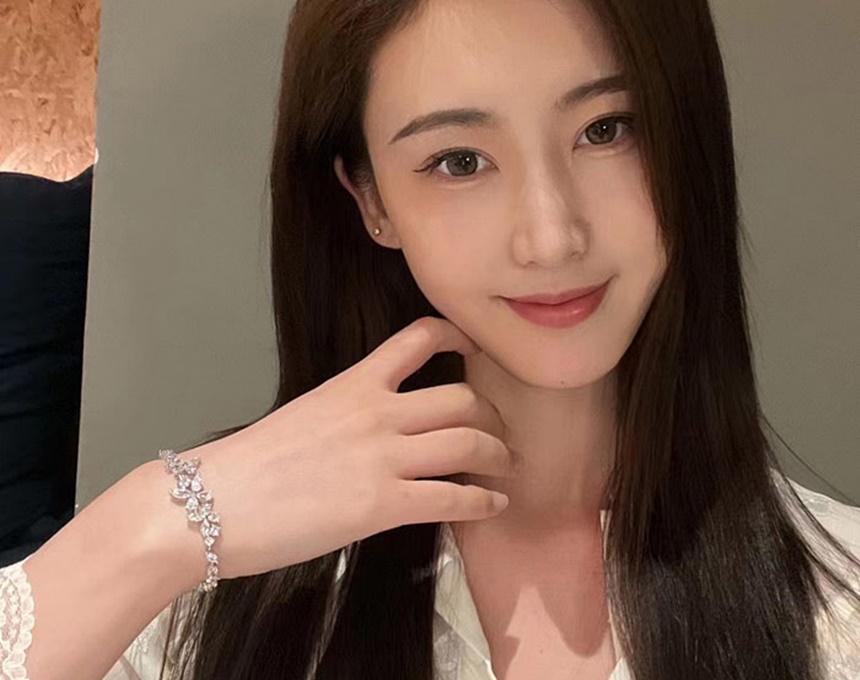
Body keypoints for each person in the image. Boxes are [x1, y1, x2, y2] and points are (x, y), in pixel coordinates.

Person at [1, 0, 858, 678]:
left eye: (607, 129)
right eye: (459, 161)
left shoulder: (840, 599)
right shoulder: (214, 583)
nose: (551, 236)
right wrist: (164, 520)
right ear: (372, 201)